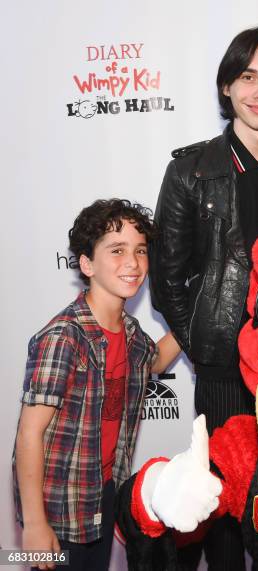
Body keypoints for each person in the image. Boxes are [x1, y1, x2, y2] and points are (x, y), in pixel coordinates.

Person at [149, 25, 258, 570]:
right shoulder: (190, 171)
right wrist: (205, 346)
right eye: (248, 76)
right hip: (224, 370)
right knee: (225, 506)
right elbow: (166, 277)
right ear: (227, 86)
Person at [13, 199, 181, 571]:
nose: (133, 263)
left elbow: (153, 362)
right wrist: (36, 524)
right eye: (117, 250)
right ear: (87, 264)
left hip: (103, 497)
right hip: (58, 510)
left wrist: (194, 323)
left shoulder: (133, 334)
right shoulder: (64, 336)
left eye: (140, 251)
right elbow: (29, 434)